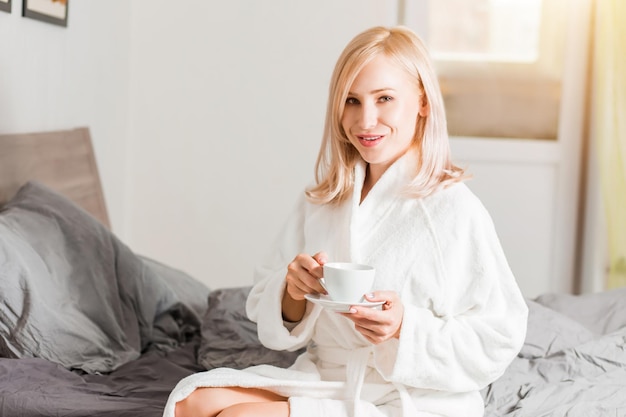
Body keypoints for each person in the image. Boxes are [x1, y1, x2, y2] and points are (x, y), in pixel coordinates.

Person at [165, 25, 528, 417]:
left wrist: (406, 327)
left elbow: (498, 337)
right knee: (191, 403)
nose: (366, 120)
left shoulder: (452, 208)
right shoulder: (325, 198)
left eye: (384, 98)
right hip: (330, 379)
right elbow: (266, 304)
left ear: (422, 101)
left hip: (410, 395)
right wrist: (294, 291)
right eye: (352, 101)